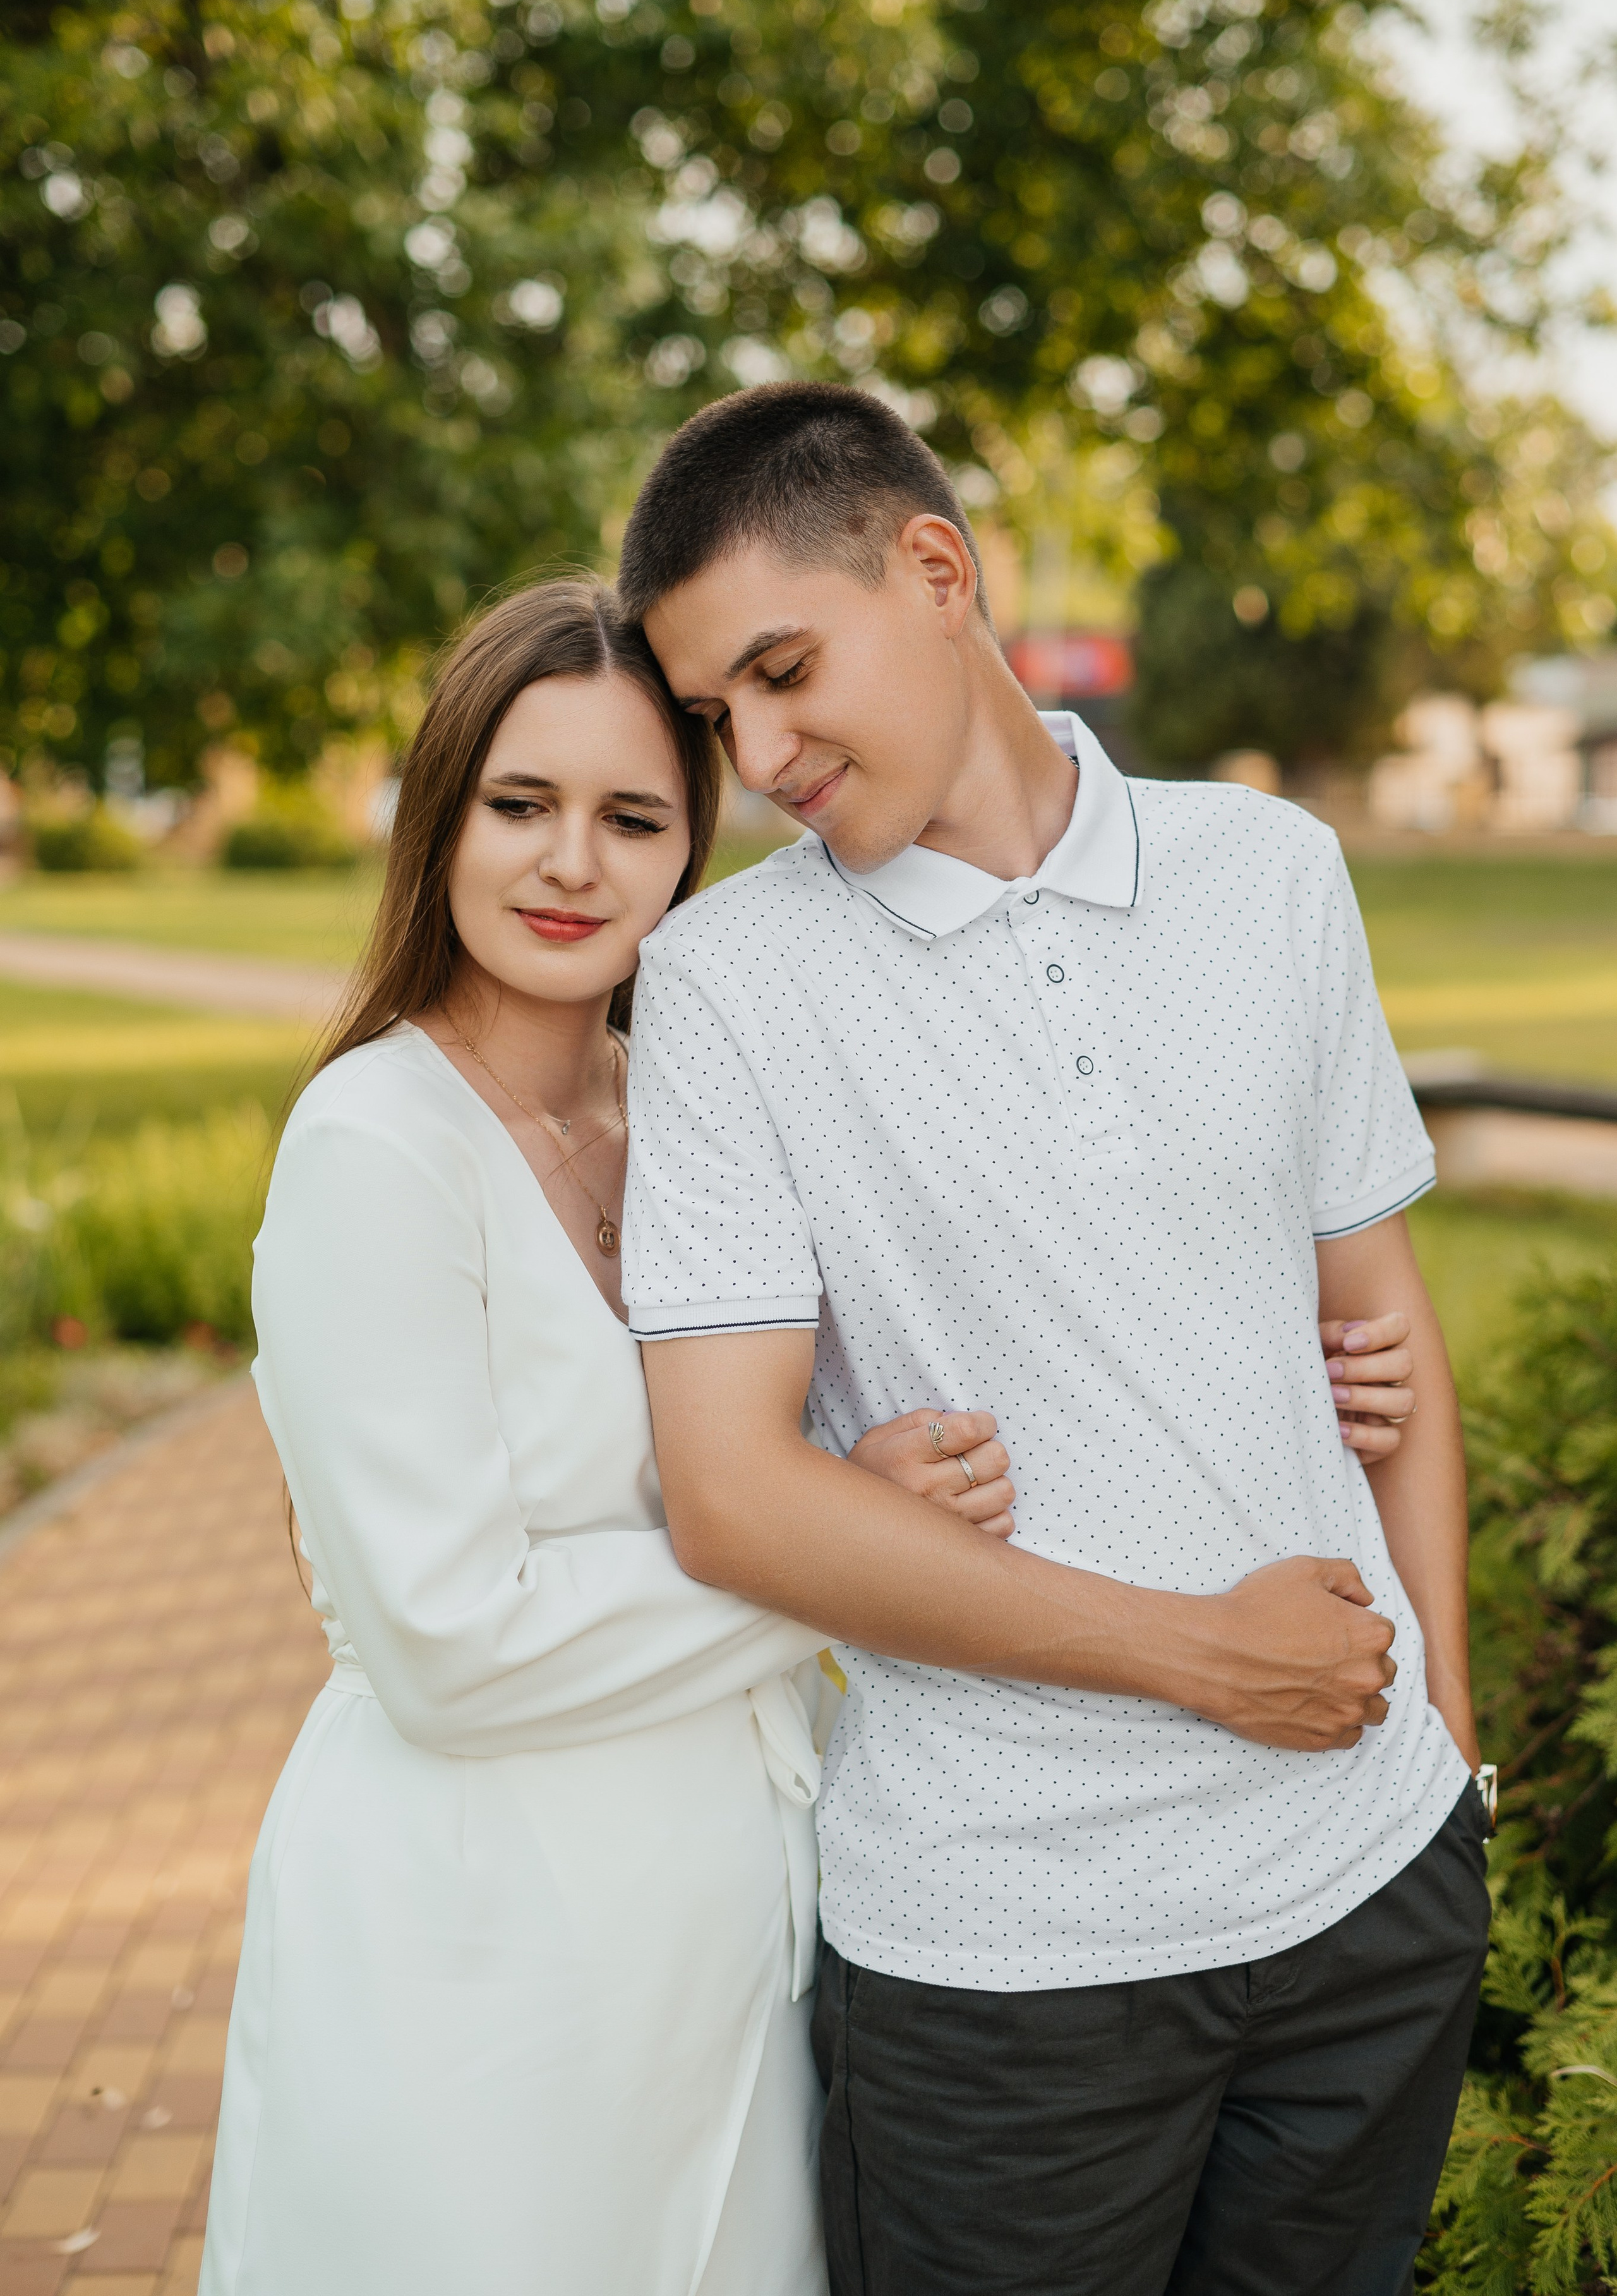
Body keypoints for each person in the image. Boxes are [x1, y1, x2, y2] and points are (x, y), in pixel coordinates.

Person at [615, 383, 1490, 2296]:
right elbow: (732, 1497)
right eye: (713, 715)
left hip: (1369, 1903)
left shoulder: (1271, 872)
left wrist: (1450, 1761)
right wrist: (1206, 1662)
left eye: (780, 670)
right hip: (1008, 1967)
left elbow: (1386, 1334)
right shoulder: (724, 989)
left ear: (937, 570)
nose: (755, 755)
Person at [198, 578, 1030, 2296]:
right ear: (443, 818)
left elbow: (930, 1369)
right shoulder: (377, 1146)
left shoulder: (688, 1110)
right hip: (477, 1953)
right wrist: (830, 1560)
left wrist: (1306, 1342)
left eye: (632, 816)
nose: (573, 863)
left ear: (688, 850)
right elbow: (450, 1644)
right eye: (523, 805)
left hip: (734, 1922)